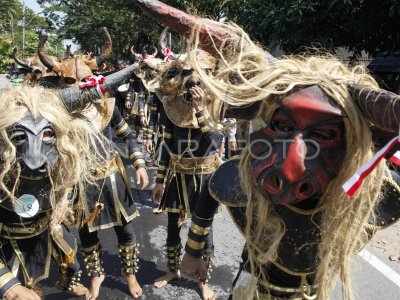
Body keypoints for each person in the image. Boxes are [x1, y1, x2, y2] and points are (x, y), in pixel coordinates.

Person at [178, 21, 400, 300]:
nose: (291, 160)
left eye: (322, 134)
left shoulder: (367, 188)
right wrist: (193, 251)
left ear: (351, 145)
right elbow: (212, 187)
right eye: (283, 127)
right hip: (254, 287)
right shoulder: (246, 176)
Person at [0, 85, 107, 300]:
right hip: (5, 241)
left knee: (73, 265)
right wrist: (8, 286)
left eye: (47, 134)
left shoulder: (61, 156)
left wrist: (62, 203)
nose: (36, 159)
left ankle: (66, 283)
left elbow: (69, 184)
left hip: (44, 229)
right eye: (20, 136)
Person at [150, 53, 223, 300]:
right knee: (172, 228)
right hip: (178, 175)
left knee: (205, 231)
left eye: (199, 75)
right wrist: (159, 180)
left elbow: (213, 142)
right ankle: (172, 270)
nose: (193, 82)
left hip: (204, 176)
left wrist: (200, 110)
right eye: (187, 74)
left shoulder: (216, 103)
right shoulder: (171, 103)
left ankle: (203, 281)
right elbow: (166, 146)